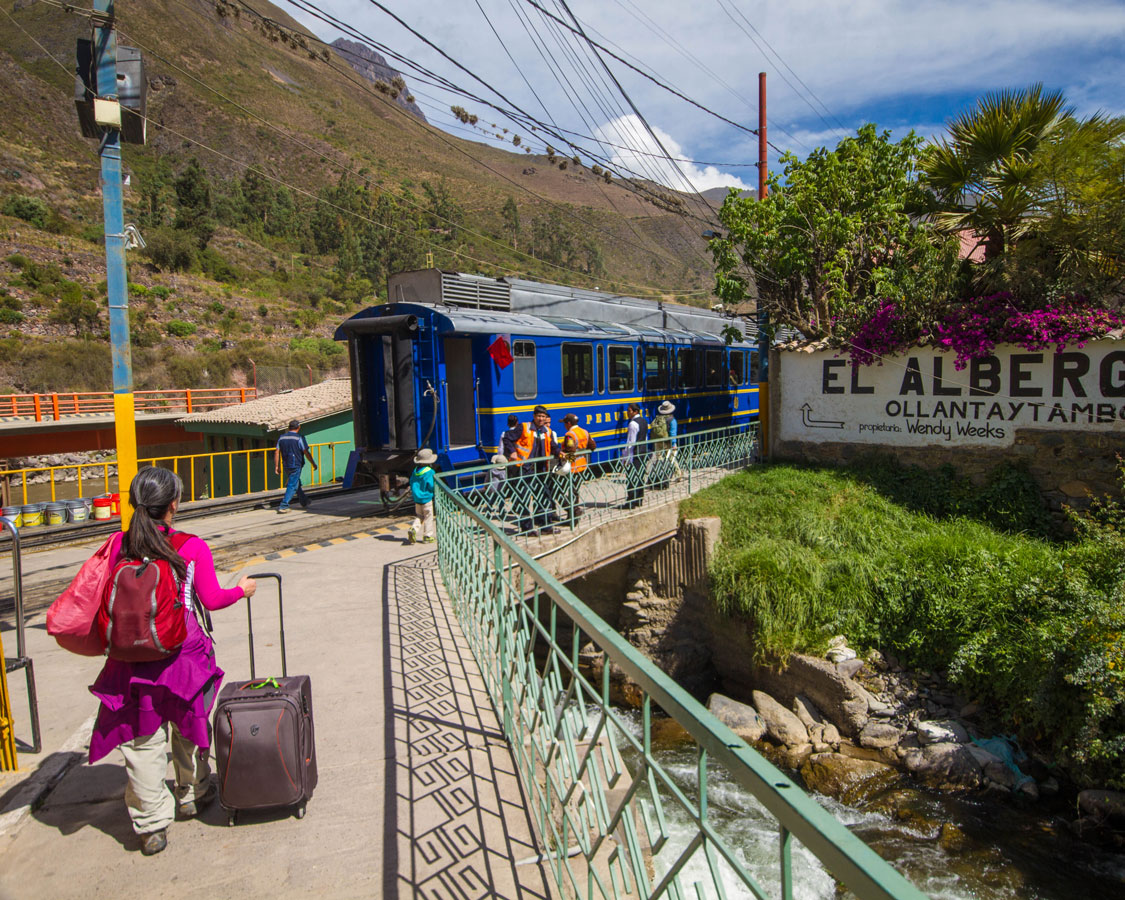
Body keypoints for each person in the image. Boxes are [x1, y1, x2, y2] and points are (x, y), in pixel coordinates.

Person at [87, 466, 257, 856]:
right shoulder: (191, 545)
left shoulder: (117, 545)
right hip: (182, 658)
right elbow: (211, 600)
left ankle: (151, 829)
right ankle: (191, 792)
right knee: (186, 727)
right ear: (174, 504)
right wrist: (242, 590)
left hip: (130, 662)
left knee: (142, 742)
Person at [509, 405, 562, 533]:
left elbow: (553, 446)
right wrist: (512, 452)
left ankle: (545, 525)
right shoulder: (524, 427)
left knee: (544, 496)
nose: (541, 419)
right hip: (525, 468)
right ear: (534, 416)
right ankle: (527, 528)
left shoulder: (547, 431)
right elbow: (507, 438)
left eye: (543, 417)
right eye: (538, 416)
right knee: (524, 497)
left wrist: (560, 452)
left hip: (541, 469)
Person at [559, 412, 596, 524]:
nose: (564, 425)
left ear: (569, 423)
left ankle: (573, 515)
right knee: (574, 491)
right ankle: (573, 516)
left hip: (572, 467)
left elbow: (570, 449)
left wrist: (562, 456)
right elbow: (593, 446)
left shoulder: (570, 435)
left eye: (565, 423)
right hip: (582, 465)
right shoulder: (584, 432)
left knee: (561, 491)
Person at [274, 420, 317, 513]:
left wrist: (277, 466)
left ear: (289, 427)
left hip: (285, 464)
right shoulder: (299, 438)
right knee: (292, 485)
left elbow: (277, 451)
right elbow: (306, 452)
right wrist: (313, 463)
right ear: (299, 427)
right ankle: (284, 506)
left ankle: (304, 501)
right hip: (296, 464)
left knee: (296, 482)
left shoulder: (281, 438)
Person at [407, 448, 437, 544]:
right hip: (426, 499)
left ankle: (414, 529)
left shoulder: (415, 471)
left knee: (419, 516)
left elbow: (411, 482)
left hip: (417, 499)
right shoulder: (430, 472)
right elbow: (432, 485)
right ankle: (428, 536)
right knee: (428, 516)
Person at [622, 402, 648, 509]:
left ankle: (631, 502)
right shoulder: (643, 421)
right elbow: (645, 437)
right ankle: (639, 500)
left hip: (635, 454)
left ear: (635, 411)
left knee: (632, 478)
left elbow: (630, 443)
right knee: (640, 476)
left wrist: (626, 458)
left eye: (629, 411)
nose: (627, 413)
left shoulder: (632, 424)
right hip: (643, 452)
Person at [649, 401, 678, 491]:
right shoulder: (672, 420)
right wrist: (673, 444)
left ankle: (660, 475)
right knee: (671, 458)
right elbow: (673, 433)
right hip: (668, 442)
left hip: (658, 442)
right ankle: (678, 474)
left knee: (660, 459)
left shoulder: (658, 418)